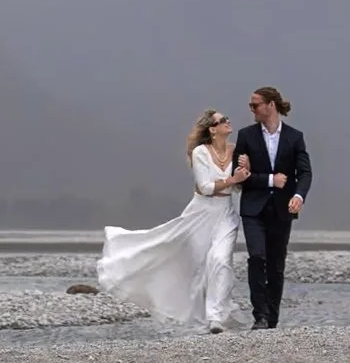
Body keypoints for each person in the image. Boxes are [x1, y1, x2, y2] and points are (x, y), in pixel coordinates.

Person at [96, 109, 246, 331]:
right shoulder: (200, 153)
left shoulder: (237, 151)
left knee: (221, 260)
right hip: (200, 213)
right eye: (222, 120)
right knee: (198, 266)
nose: (228, 121)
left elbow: (239, 186)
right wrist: (233, 178)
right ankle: (199, 315)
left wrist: (245, 172)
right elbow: (205, 187)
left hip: (226, 213)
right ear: (212, 129)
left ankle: (217, 317)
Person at [233, 86, 312, 330]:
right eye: (251, 105)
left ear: (271, 105)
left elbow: (305, 172)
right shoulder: (246, 135)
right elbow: (237, 176)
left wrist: (299, 195)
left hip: (282, 209)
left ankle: (273, 320)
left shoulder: (294, 137)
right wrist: (269, 180)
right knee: (257, 258)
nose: (252, 109)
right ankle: (260, 316)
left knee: (276, 265)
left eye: (255, 105)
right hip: (253, 209)